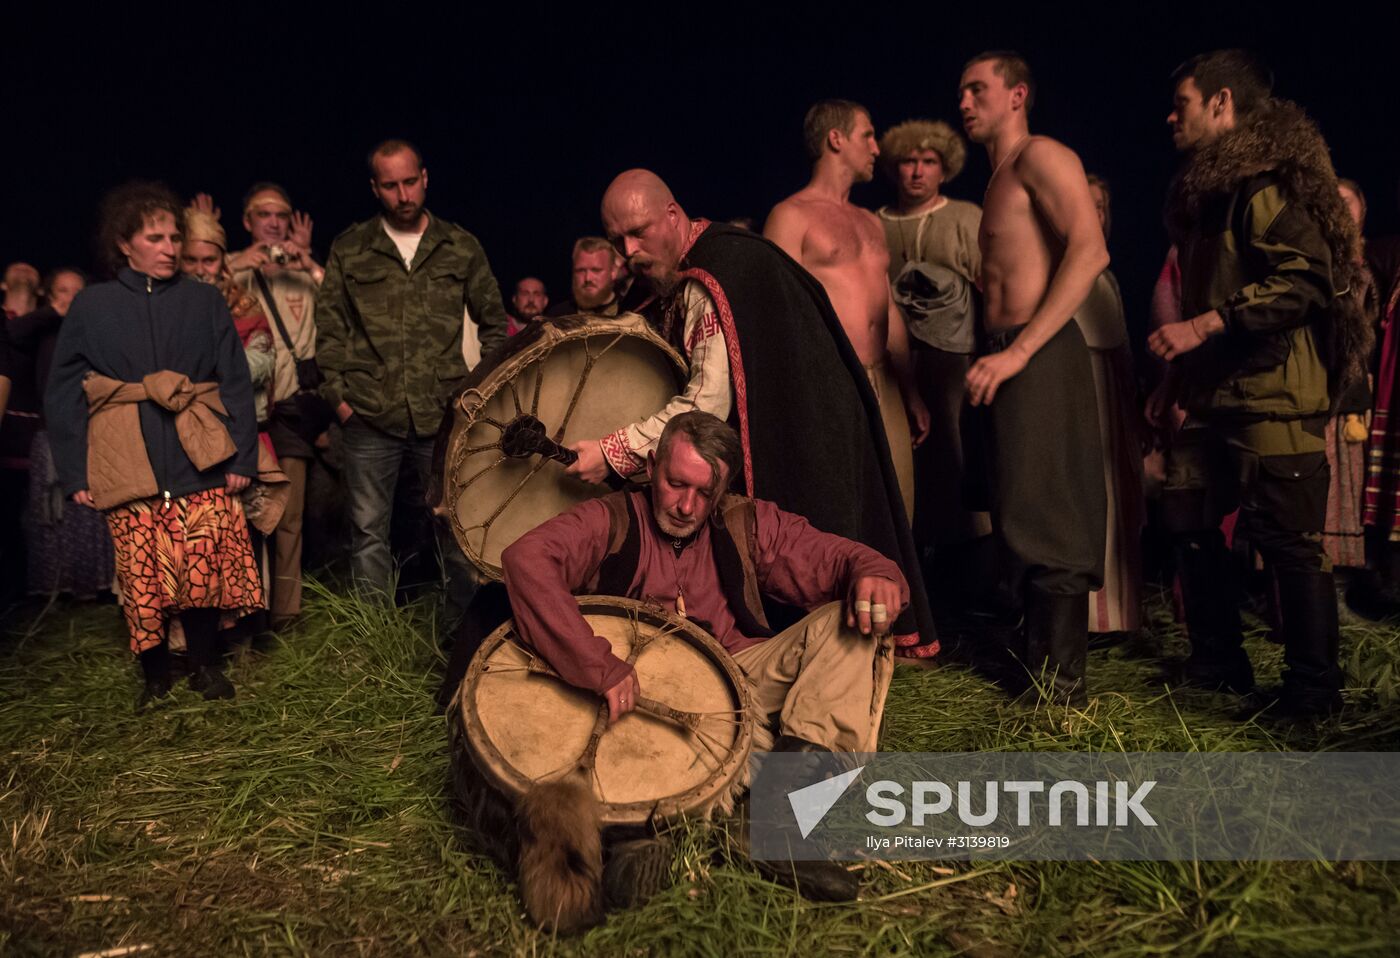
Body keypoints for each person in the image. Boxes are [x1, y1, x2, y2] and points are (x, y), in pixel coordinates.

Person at [502, 411, 903, 906]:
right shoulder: (610, 520)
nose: (687, 506)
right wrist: (597, 664)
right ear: (652, 467)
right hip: (650, 703)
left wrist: (874, 571)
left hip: (742, 683)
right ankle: (663, 844)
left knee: (852, 623)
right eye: (675, 484)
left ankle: (781, 824)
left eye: (704, 493)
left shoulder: (744, 523)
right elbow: (527, 559)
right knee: (633, 771)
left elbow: (835, 557)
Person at [591, 169, 935, 648]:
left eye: (638, 233)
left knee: (809, 552)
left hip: (804, 431)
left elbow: (706, 405)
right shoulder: (699, 267)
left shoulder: (723, 269)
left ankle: (829, 653)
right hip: (784, 425)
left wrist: (611, 451)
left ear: (672, 216)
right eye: (616, 239)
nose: (628, 252)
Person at [1148, 50, 1371, 718]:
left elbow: (1306, 279)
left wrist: (1205, 326)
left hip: (1275, 394)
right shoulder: (1215, 193)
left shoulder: (1264, 184)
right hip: (1219, 394)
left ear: (1220, 103)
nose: (1170, 116)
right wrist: (1177, 377)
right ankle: (1220, 666)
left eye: (1182, 102)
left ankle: (1312, 694)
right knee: (1186, 518)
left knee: (1289, 545)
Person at [45, 182, 265, 703]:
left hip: (201, 451)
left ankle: (206, 666)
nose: (169, 247)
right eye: (155, 237)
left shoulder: (203, 299)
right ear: (125, 243)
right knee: (142, 573)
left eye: (173, 236)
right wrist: (76, 473)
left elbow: (234, 378)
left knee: (202, 567)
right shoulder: (92, 306)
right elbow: (62, 393)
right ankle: (154, 677)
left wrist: (242, 455)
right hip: (127, 459)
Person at [959, 51, 1108, 704]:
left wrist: (1020, 351)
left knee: (1050, 515)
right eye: (960, 91)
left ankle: (1062, 696)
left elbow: (1091, 248)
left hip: (1037, 353)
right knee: (1016, 509)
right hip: (1003, 353)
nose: (963, 101)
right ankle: (1037, 672)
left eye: (977, 89)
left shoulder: (1040, 154)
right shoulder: (995, 179)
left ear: (1017, 94)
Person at [316, 139, 508, 621]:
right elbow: (329, 329)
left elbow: (494, 324)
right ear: (375, 189)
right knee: (367, 533)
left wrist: (478, 392)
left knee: (455, 526)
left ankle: (457, 636)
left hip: (444, 414)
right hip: (368, 415)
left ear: (424, 178)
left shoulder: (459, 246)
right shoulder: (352, 247)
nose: (402, 195)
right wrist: (339, 399)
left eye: (409, 182)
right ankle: (374, 639)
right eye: (390, 186)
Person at [764, 100, 930, 522]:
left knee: (898, 510)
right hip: (831, 382)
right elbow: (779, 317)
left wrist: (909, 391)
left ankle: (898, 589)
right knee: (838, 511)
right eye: (867, 135)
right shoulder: (790, 216)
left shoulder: (869, 222)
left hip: (885, 384)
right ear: (835, 139)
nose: (877, 148)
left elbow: (888, 307)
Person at [875, 118, 992, 613]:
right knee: (903, 465)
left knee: (957, 456)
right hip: (894, 363)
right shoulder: (875, 222)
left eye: (928, 163)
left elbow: (991, 286)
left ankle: (973, 590)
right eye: (908, 161)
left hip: (955, 362)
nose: (918, 172)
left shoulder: (966, 217)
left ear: (944, 169)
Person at [230, 183, 324, 632]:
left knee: (289, 513)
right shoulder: (234, 272)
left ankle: (285, 612)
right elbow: (194, 298)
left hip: (291, 410)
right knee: (243, 512)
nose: (273, 221)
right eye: (263, 214)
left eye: (281, 215)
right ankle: (245, 610)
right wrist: (234, 262)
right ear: (248, 221)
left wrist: (309, 261)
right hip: (241, 412)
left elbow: (342, 304)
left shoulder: (302, 274)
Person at [15, 268, 116, 600]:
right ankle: (54, 587)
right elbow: (12, 333)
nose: (70, 297)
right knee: (50, 510)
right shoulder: (41, 331)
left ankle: (90, 586)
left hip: (91, 428)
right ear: (49, 294)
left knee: (88, 509)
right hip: (48, 431)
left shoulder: (95, 331)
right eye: (62, 290)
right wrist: (51, 313)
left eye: (77, 291)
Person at [1080, 176, 1146, 638]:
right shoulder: (1066, 273)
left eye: (1100, 206)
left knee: (1119, 498)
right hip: (1084, 403)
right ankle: (1088, 619)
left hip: (1114, 406)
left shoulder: (1105, 276)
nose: (1094, 215)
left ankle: (1119, 618)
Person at [544, 237, 622, 317]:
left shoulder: (629, 312)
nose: (587, 278)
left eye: (596, 270)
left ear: (613, 271)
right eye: (580, 270)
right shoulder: (557, 316)